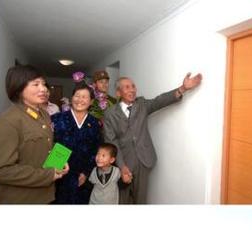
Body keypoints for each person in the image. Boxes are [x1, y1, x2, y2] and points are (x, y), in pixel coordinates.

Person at [103, 72, 202, 204]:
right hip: (124, 160)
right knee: (122, 199)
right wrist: (122, 166)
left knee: (141, 199)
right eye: (127, 87)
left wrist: (182, 88)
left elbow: (159, 101)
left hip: (144, 160)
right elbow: (111, 141)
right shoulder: (109, 114)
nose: (132, 89)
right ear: (118, 93)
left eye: (133, 86)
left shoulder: (142, 104)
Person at [0, 64, 69, 204]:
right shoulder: (8, 121)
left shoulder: (43, 114)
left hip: (45, 196)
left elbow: (44, 143)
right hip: (20, 199)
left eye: (43, 84)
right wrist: (48, 175)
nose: (43, 89)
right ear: (19, 88)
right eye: (35, 84)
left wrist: (59, 160)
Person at [51, 83, 102, 204]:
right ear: (72, 98)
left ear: (91, 101)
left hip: (82, 177)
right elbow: (49, 144)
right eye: (77, 96)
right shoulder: (56, 119)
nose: (80, 100)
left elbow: (95, 149)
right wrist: (54, 170)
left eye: (84, 97)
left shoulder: (94, 123)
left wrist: (86, 172)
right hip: (58, 174)